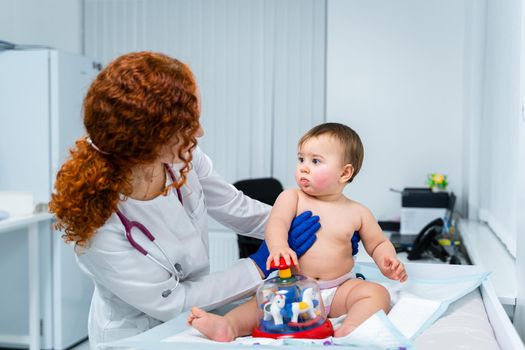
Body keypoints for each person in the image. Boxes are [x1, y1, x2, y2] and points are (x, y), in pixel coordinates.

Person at [48, 51, 320, 350]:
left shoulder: (181, 158)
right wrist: (257, 266)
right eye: (186, 126)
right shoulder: (98, 225)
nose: (199, 132)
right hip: (136, 336)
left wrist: (311, 225)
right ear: (146, 139)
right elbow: (173, 301)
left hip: (197, 319)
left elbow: (235, 206)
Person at [188, 122, 408, 340]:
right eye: (301, 159)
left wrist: (387, 259)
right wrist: (279, 247)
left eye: (315, 161)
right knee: (259, 305)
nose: (303, 166)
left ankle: (350, 327)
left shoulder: (358, 212)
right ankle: (229, 326)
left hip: (339, 288)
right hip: (293, 288)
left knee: (377, 294)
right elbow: (277, 224)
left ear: (344, 172)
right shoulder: (292, 198)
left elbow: (377, 243)